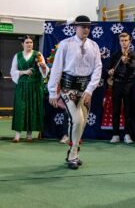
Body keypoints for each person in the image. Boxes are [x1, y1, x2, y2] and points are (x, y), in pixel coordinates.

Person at [48, 15, 102, 169]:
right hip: (68, 88)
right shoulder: (65, 44)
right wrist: (53, 91)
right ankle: (72, 155)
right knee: (77, 121)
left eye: (88, 27)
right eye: (82, 26)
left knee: (82, 123)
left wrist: (90, 89)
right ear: (74, 27)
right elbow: (57, 68)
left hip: (85, 90)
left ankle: (74, 152)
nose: (86, 29)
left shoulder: (94, 46)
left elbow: (98, 69)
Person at [10, 35, 49, 142]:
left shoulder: (38, 55)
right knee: (20, 108)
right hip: (22, 86)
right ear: (22, 44)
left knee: (32, 108)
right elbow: (13, 71)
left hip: (35, 86)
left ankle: (29, 135)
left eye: (31, 42)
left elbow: (45, 72)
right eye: (27, 42)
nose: (29, 44)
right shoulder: (17, 56)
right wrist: (24, 72)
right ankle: (17, 135)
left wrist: (43, 67)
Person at [108, 32, 135, 144]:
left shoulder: (134, 54)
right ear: (119, 42)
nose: (124, 43)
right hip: (117, 84)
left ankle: (127, 134)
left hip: (129, 85)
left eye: (126, 40)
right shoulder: (115, 55)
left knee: (128, 111)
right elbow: (107, 69)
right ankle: (115, 134)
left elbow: (133, 68)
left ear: (129, 41)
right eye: (122, 41)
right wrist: (109, 71)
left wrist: (127, 62)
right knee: (115, 110)